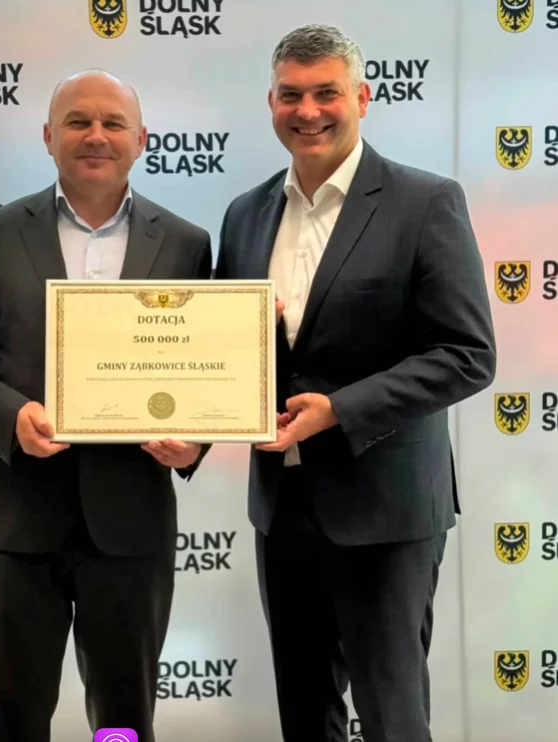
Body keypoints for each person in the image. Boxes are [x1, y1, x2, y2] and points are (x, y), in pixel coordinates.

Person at [215, 24, 496, 742]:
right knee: (304, 715)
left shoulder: (426, 202)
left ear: (363, 98)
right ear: (270, 103)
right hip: (282, 506)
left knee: (392, 716)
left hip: (386, 508)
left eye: (326, 93)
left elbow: (467, 353)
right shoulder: (245, 214)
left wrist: (339, 410)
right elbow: (220, 353)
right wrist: (189, 430)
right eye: (290, 95)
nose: (307, 111)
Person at [0, 70, 212, 742]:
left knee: (123, 724)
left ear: (141, 139)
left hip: (132, 526)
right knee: (12, 720)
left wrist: (195, 440)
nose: (96, 136)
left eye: (113, 123)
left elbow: (203, 370)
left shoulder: (187, 243)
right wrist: (11, 417)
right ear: (49, 136)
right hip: (17, 524)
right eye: (78, 121)